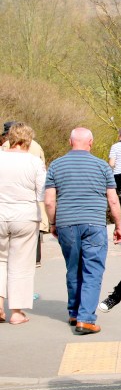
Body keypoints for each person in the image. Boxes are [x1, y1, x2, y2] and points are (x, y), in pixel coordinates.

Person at [44, 128, 121, 335]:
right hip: (94, 224)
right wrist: (118, 225)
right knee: (92, 270)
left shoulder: (56, 165)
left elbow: (50, 201)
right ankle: (86, 319)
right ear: (91, 142)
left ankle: (74, 312)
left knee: (73, 268)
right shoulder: (102, 166)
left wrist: (53, 223)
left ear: (70, 141)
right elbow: (113, 200)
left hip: (67, 224)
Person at [0, 123, 46, 325]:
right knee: (21, 263)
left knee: (0, 261)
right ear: (28, 141)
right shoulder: (34, 162)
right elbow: (42, 192)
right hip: (25, 216)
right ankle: (16, 312)